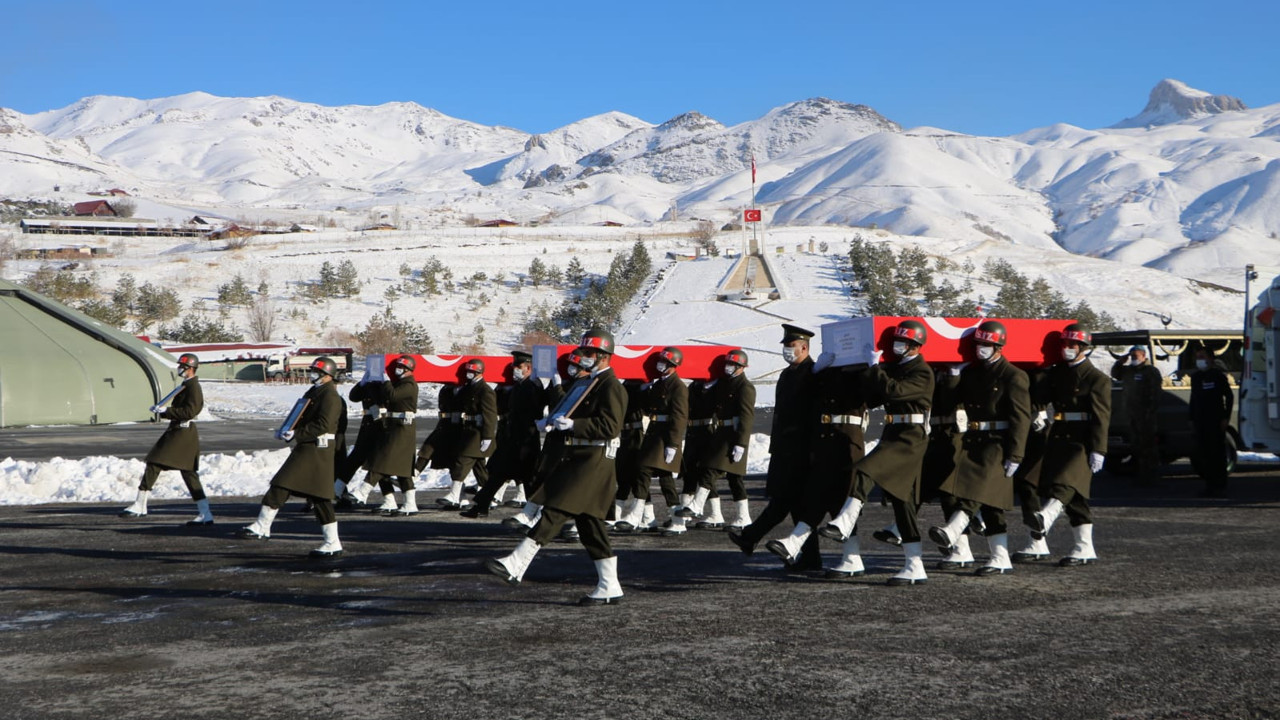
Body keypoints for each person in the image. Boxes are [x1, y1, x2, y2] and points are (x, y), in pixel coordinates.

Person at [486, 328, 628, 606]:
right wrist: (553, 422)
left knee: (556, 508)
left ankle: (516, 564)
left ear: (602, 356)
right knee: (591, 526)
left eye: (588, 354)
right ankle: (609, 585)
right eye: (583, 353)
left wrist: (577, 425)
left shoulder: (612, 386)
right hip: (580, 458)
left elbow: (611, 426)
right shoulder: (591, 382)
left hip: (594, 461)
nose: (583, 358)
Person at [817, 320, 935, 586]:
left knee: (864, 468)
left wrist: (874, 367)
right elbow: (875, 399)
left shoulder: (922, 371)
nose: (898, 346)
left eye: (903, 342)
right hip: (893, 435)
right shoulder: (896, 367)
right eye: (897, 341)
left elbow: (895, 391)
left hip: (911, 438)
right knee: (902, 502)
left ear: (915, 345)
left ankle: (846, 520)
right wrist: (863, 369)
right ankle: (915, 566)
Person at [752, 340, 870, 579]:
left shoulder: (860, 371)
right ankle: (798, 544)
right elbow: (805, 400)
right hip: (824, 444)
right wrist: (816, 373)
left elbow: (874, 396)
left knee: (842, 503)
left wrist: (873, 368)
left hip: (848, 443)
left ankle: (851, 557)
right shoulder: (824, 373)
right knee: (817, 498)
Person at [929, 320, 1031, 576]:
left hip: (998, 442)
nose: (980, 349)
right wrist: (952, 377)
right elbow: (950, 401)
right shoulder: (972, 373)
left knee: (977, 491)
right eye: (978, 344)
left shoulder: (1014, 376)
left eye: (986, 344)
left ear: (998, 346)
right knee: (989, 503)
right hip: (972, 439)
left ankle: (954, 530)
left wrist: (1016, 454)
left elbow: (1021, 417)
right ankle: (998, 557)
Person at [728, 325, 820, 572]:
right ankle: (810, 559)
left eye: (791, 347)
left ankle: (750, 537)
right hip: (784, 448)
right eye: (785, 347)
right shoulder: (788, 374)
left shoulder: (812, 373)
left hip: (800, 450)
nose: (787, 351)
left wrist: (812, 450)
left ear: (804, 347)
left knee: (785, 500)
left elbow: (812, 415)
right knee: (794, 504)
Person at [239, 357, 346, 558]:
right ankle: (265, 526)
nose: (312, 374)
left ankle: (264, 526)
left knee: (292, 486)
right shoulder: (316, 392)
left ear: (327, 375)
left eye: (317, 372)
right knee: (300, 490)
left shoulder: (330, 396)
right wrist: (289, 429)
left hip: (316, 450)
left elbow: (323, 424)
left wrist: (297, 433)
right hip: (309, 448)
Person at [1030, 323, 1112, 566]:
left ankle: (1046, 515)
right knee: (1076, 497)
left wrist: (1099, 449)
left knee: (1064, 481)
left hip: (1082, 440)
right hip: (1060, 434)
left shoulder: (1097, 379)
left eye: (1072, 345)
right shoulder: (1058, 373)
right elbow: (1039, 394)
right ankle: (1084, 548)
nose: (1067, 348)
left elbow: (1101, 417)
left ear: (1083, 348)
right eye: (1065, 344)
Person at [120, 353, 212, 525]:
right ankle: (205, 513)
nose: (179, 369)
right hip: (179, 431)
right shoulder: (187, 385)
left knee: (156, 463)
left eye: (182, 367)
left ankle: (141, 505)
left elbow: (190, 412)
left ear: (190, 368)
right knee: (185, 472)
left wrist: (166, 411)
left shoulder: (193, 387)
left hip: (183, 433)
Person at [672, 348, 755, 535]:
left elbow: (746, 417)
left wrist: (741, 443)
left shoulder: (745, 387)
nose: (728, 368)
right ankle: (743, 517)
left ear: (741, 367)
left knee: (711, 470)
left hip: (733, 435)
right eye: (727, 364)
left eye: (733, 365)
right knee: (733, 478)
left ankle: (697, 506)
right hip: (722, 432)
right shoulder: (726, 384)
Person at [463, 351, 552, 517]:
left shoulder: (533, 385)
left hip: (525, 441)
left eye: (518, 367)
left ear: (528, 368)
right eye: (514, 366)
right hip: (512, 439)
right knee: (498, 474)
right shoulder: (519, 385)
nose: (515, 369)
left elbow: (533, 412)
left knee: (529, 480)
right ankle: (480, 507)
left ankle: (539, 513)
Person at [614, 347, 689, 533]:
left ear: (673, 365)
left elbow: (679, 417)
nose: (661, 365)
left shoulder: (678, 387)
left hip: (665, 437)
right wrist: (641, 391)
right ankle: (671, 520)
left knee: (646, 472)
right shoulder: (659, 384)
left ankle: (638, 515)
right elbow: (648, 408)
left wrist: (673, 444)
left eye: (665, 363)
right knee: (661, 478)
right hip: (654, 434)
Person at [341, 356, 420, 516]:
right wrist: (366, 382)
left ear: (408, 369)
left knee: (383, 460)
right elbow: (356, 396)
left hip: (402, 429)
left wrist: (384, 379)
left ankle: (363, 492)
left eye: (400, 367)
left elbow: (392, 396)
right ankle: (404, 503)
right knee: (398, 468)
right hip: (392, 427)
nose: (397, 369)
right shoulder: (397, 383)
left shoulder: (409, 384)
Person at [436, 358, 498, 510]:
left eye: (472, 371)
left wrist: (488, 436)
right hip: (468, 430)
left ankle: (454, 494)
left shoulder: (485, 390)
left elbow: (490, 415)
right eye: (468, 371)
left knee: (461, 461)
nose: (469, 374)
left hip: (478, 433)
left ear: (478, 372)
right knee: (480, 468)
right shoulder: (469, 388)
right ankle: (490, 497)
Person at [1112, 344, 1162, 485]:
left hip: (1146, 415)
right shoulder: (1129, 371)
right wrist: (1119, 363)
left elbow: (1155, 393)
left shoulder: (1150, 371)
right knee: (1136, 446)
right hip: (1132, 414)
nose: (1134, 358)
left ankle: (1151, 475)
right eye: (1132, 356)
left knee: (1148, 446)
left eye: (1136, 356)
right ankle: (1139, 473)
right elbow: (1116, 374)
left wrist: (1150, 411)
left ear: (1143, 356)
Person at [1188, 347, 1233, 498]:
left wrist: (1226, 417)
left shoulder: (1218, 376)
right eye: (1197, 357)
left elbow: (1229, 396)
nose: (1199, 359)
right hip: (1200, 421)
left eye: (1202, 357)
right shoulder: (1196, 377)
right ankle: (1209, 485)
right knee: (1203, 454)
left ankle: (1220, 486)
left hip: (1216, 420)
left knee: (1217, 454)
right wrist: (1191, 418)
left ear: (1210, 359)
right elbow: (1193, 399)